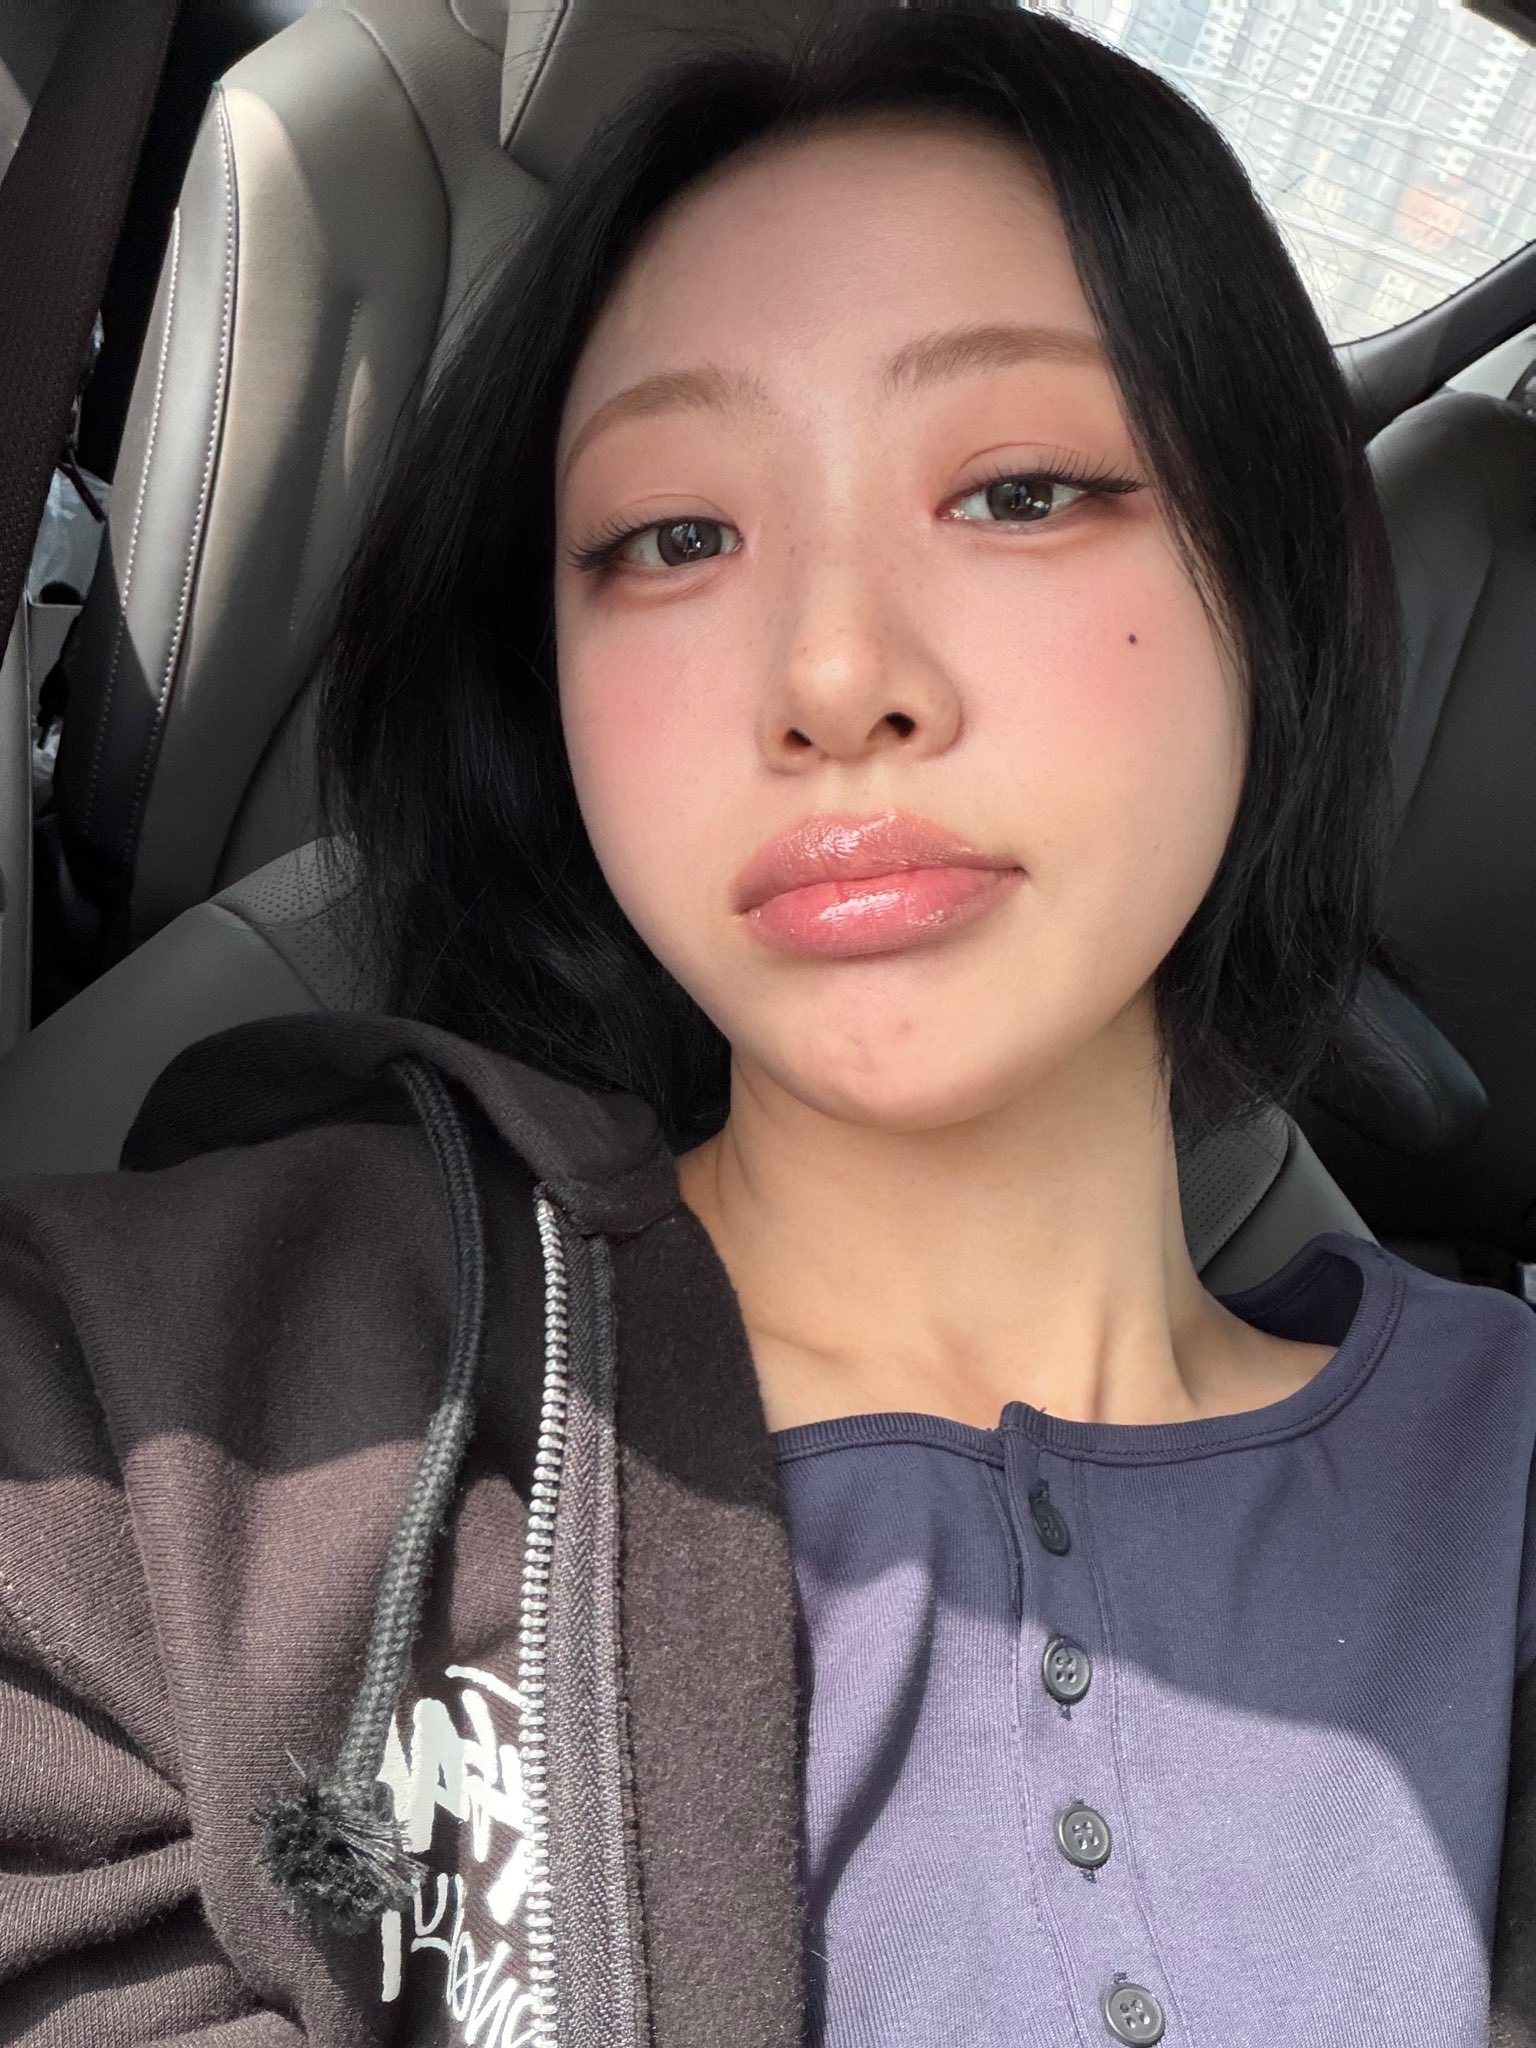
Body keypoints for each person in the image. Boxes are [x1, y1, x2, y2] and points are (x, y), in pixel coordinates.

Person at [1, 2, 1532, 2042]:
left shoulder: (1503, 1470)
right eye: (674, 537)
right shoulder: (160, 1417)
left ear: (1277, 592)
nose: (830, 674)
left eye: (1019, 489)